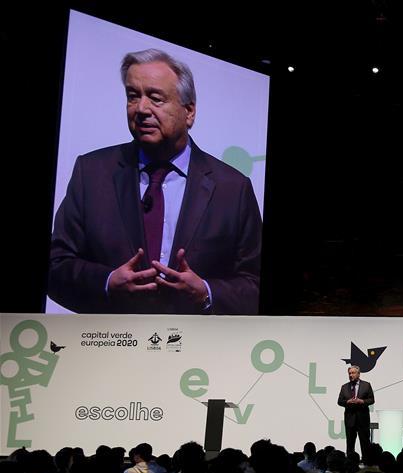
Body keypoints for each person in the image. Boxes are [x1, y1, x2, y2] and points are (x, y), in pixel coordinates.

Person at [48, 48, 262, 314]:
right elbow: (55, 265)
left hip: (195, 338)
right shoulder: (92, 173)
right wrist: (106, 283)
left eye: (155, 98)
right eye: (132, 96)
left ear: (189, 112)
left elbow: (255, 284)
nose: (141, 109)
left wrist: (206, 292)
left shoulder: (233, 188)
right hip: (111, 337)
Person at [337, 365, 375, 457]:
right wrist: (347, 402)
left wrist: (362, 401)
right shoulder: (344, 387)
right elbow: (339, 401)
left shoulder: (366, 385)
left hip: (363, 419)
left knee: (365, 442)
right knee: (350, 443)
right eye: (349, 373)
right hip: (350, 419)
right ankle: (350, 462)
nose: (351, 375)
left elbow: (372, 400)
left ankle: (366, 461)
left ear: (358, 374)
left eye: (353, 373)